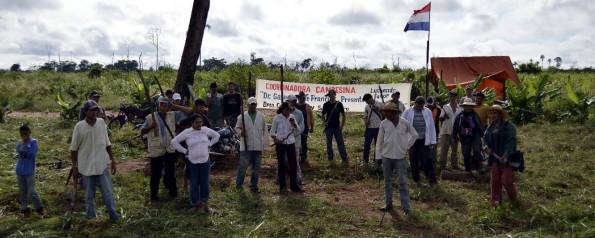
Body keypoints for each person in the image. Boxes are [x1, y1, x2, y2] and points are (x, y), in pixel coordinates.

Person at [69, 100, 118, 222]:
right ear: (85, 112)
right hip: (86, 168)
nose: (95, 112)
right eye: (92, 110)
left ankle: (113, 216)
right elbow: (73, 149)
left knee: (108, 194)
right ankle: (91, 218)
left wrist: (113, 160)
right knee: (89, 196)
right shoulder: (79, 127)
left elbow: (107, 143)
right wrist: (75, 167)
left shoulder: (101, 123)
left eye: (96, 110)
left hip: (101, 165)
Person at [171, 115, 220, 212]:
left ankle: (205, 204)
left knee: (205, 183)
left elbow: (217, 135)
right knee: (194, 184)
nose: (199, 124)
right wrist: (184, 151)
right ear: (192, 123)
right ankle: (195, 204)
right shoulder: (187, 132)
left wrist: (209, 144)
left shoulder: (205, 130)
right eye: (197, 122)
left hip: (205, 161)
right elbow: (174, 142)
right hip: (192, 162)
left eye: (201, 122)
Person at [141, 97, 185, 201]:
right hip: (156, 150)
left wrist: (174, 106)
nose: (163, 107)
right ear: (158, 105)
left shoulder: (173, 115)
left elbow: (189, 111)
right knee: (156, 174)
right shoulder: (150, 117)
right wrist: (150, 127)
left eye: (165, 105)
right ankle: (154, 195)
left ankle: (173, 193)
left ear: (168, 107)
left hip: (169, 148)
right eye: (161, 104)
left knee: (170, 172)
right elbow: (142, 131)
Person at [375, 102, 417, 213]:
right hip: (386, 156)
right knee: (387, 182)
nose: (385, 114)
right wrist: (378, 156)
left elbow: (414, 135)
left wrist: (407, 146)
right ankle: (388, 204)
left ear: (394, 113)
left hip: (400, 157)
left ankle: (406, 207)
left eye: (387, 112)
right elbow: (379, 141)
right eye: (385, 112)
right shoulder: (384, 124)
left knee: (402, 182)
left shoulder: (404, 123)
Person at [484, 105, 518, 206]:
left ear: (500, 114)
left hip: (507, 159)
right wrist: (486, 148)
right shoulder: (489, 128)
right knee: (495, 181)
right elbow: (485, 140)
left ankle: (513, 199)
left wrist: (506, 154)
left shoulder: (508, 127)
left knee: (507, 181)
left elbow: (511, 141)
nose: (493, 115)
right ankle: (496, 201)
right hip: (495, 159)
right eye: (491, 113)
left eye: (495, 113)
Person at [235, 97, 268, 192]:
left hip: (257, 146)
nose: (253, 106)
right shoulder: (242, 116)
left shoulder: (261, 116)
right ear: (248, 105)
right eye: (251, 104)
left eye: (254, 104)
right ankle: (238, 185)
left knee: (256, 169)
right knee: (242, 167)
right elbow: (237, 128)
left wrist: (265, 146)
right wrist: (240, 132)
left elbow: (265, 131)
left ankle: (254, 186)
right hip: (246, 146)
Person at [403, 96, 437, 185]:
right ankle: (416, 179)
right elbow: (402, 124)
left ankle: (431, 179)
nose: (420, 107)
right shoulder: (408, 112)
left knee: (426, 160)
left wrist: (432, 141)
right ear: (415, 103)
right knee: (413, 160)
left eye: (422, 105)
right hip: (412, 140)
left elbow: (431, 126)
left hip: (424, 139)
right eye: (419, 105)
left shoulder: (427, 111)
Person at [270, 102, 303, 193]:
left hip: (291, 143)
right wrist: (276, 139)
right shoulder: (277, 118)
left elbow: (298, 131)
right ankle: (283, 187)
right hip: (280, 144)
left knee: (293, 165)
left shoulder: (292, 117)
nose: (288, 111)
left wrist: (294, 124)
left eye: (289, 110)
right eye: (286, 109)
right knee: (281, 165)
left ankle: (294, 186)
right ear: (282, 109)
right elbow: (272, 132)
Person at [16, 124, 44, 216]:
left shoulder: (33, 142)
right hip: (20, 170)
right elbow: (18, 151)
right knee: (23, 190)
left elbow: (31, 154)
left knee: (31, 191)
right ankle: (24, 208)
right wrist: (23, 149)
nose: (24, 136)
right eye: (22, 134)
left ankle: (39, 207)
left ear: (29, 133)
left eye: (25, 134)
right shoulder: (20, 143)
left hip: (29, 171)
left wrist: (25, 147)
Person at [452, 98, 484, 174]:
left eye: (469, 106)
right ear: (463, 106)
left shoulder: (475, 114)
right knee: (466, 154)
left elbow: (479, 125)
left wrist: (482, 135)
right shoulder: (460, 116)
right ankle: (468, 170)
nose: (467, 107)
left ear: (471, 106)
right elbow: (455, 126)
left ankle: (478, 167)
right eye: (466, 106)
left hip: (475, 136)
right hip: (464, 138)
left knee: (477, 151)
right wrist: (454, 136)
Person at [438, 91, 463, 170]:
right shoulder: (445, 107)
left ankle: (454, 165)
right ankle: (442, 167)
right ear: (449, 97)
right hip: (446, 131)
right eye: (451, 96)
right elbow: (440, 118)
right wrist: (444, 116)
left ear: (456, 98)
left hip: (455, 133)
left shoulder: (460, 108)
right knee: (444, 150)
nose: (452, 98)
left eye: (454, 97)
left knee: (454, 151)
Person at [321, 89, 348, 163]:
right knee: (328, 144)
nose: (331, 96)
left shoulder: (339, 104)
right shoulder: (326, 104)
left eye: (333, 94)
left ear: (335, 95)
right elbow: (322, 115)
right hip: (328, 128)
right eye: (330, 94)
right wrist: (324, 122)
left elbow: (343, 115)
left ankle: (344, 158)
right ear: (329, 96)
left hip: (337, 127)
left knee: (340, 143)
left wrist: (342, 126)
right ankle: (330, 158)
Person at [362, 93, 384, 165]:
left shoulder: (380, 104)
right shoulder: (367, 107)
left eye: (367, 100)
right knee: (366, 145)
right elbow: (365, 117)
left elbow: (384, 115)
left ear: (371, 98)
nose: (367, 102)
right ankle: (365, 161)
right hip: (369, 129)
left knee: (377, 146)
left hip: (379, 128)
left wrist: (377, 109)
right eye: (366, 101)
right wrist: (366, 122)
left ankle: (377, 161)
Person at [295, 91, 313, 164]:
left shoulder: (307, 106)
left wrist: (312, 127)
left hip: (304, 127)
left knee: (303, 142)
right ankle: (298, 155)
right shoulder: (295, 106)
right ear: (298, 98)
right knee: (296, 142)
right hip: (295, 126)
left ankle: (304, 156)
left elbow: (311, 118)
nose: (301, 99)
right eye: (300, 98)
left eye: (303, 98)